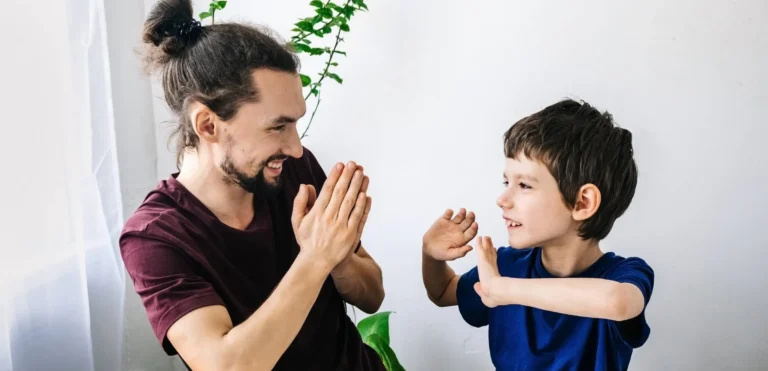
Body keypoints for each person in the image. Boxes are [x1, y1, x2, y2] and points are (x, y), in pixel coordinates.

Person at [119, 0, 386, 370]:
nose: (295, 147)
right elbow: (226, 365)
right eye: (277, 126)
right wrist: (316, 257)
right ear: (208, 125)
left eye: (295, 123)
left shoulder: (295, 169)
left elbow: (372, 296)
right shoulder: (155, 237)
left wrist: (339, 258)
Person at [421, 99, 654, 370]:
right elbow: (443, 292)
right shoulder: (506, 266)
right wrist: (431, 256)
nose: (502, 199)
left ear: (582, 203)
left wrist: (503, 289)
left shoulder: (624, 275)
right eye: (507, 182)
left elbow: (618, 302)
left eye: (524, 185)